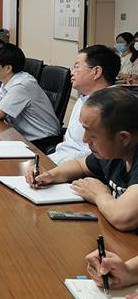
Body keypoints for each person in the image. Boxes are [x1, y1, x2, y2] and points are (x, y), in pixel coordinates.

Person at [26, 88, 138, 232]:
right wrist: (50, 175)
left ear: (123, 138)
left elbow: (122, 218)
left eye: (92, 135)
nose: (85, 139)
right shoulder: (114, 152)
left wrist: (99, 195)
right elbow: (80, 165)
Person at [49, 45, 120, 165]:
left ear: (96, 72)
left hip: (76, 167)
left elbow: (94, 157)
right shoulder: (85, 97)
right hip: (60, 159)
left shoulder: (111, 106)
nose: (72, 72)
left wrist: (53, 165)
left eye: (77, 67)